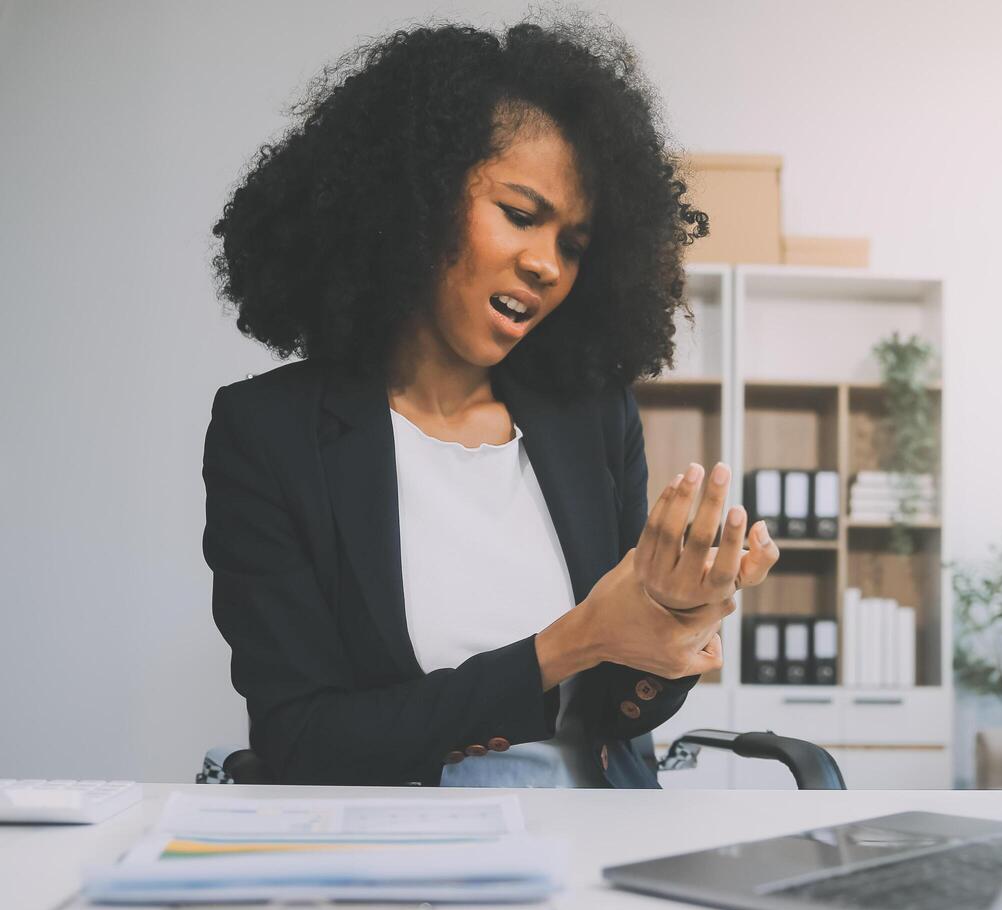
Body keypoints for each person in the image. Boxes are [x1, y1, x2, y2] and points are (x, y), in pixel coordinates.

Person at [202, 20, 779, 788]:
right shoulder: (271, 434)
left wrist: (671, 621)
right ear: (417, 197)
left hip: (596, 841)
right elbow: (305, 737)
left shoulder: (591, 419)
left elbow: (609, 715)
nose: (545, 264)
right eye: (519, 213)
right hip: (395, 855)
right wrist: (568, 644)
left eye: (573, 244)